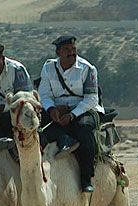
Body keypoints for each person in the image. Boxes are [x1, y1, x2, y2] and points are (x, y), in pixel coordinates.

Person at [38, 35, 104, 193]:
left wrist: (72, 115)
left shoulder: (88, 69)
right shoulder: (48, 68)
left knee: (84, 130)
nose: (71, 53)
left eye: (73, 49)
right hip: (57, 108)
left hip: (82, 109)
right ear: (58, 52)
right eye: (67, 50)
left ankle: (86, 178)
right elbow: (44, 94)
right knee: (35, 125)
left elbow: (91, 99)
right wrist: (51, 109)